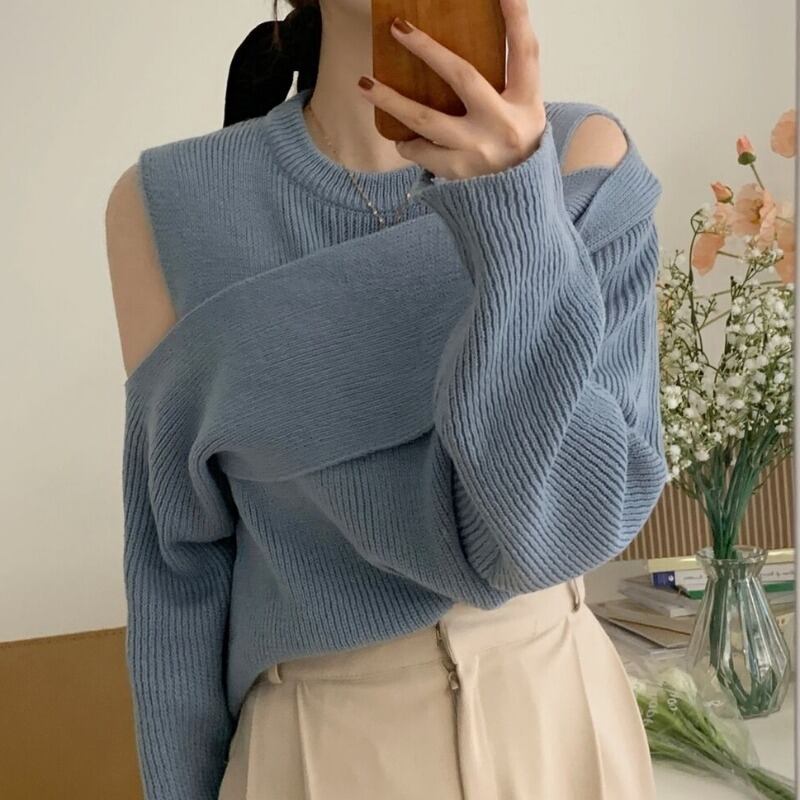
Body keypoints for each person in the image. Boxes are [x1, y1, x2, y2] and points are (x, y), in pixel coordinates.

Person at [104, 0, 668, 797]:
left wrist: (515, 206)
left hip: (559, 721)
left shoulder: (583, 160)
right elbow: (177, 578)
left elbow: (549, 536)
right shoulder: (163, 207)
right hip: (315, 752)